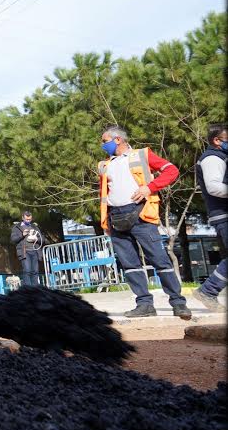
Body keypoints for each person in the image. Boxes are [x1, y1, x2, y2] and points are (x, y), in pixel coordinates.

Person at [97, 126, 191, 319]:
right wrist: (105, 222)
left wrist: (150, 187)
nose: (102, 144)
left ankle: (178, 303)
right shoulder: (104, 165)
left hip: (142, 215)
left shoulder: (142, 154)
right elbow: (103, 196)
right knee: (130, 264)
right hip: (116, 218)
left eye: (104, 140)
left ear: (117, 140)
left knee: (159, 260)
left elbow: (171, 171)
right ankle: (144, 304)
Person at [193, 123, 227, 311]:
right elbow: (214, 187)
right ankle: (208, 291)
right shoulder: (212, 158)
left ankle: (209, 291)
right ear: (217, 140)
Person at [10, 211, 44, 286]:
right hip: (25, 252)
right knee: (27, 270)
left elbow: (42, 239)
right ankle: (28, 290)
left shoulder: (35, 227)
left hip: (35, 251)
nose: (28, 221)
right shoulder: (17, 228)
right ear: (23, 218)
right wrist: (22, 235)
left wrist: (36, 239)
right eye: (26, 219)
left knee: (35, 271)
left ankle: (36, 289)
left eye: (30, 219)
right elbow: (13, 240)